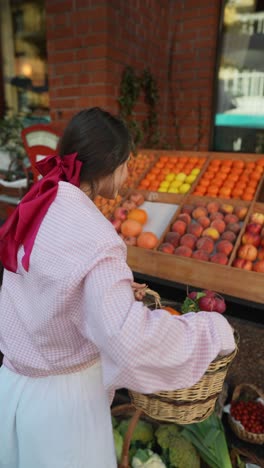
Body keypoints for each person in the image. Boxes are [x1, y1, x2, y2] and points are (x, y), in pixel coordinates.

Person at [0, 107, 235, 468]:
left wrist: (116, 296)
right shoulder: (95, 236)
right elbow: (129, 339)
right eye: (126, 163)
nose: (127, 174)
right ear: (110, 164)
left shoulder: (41, 204)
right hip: (63, 410)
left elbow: (49, 292)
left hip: (14, 390)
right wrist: (209, 332)